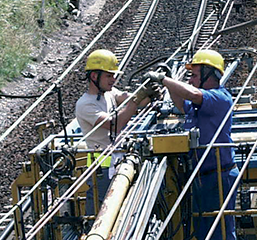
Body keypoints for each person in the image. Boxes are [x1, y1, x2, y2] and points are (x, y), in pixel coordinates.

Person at [144, 49, 239, 240]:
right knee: (203, 229)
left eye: (194, 75)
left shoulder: (219, 97)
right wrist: (170, 84)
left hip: (219, 174)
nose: (191, 80)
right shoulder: (200, 104)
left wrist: (164, 80)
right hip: (202, 175)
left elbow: (194, 94)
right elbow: (181, 104)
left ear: (209, 74)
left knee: (220, 230)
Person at [75, 49, 156, 215]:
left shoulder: (109, 94)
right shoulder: (85, 104)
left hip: (120, 160)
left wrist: (149, 94)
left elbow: (130, 98)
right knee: (103, 212)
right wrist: (135, 100)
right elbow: (114, 124)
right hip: (103, 167)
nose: (114, 79)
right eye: (109, 76)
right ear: (94, 76)